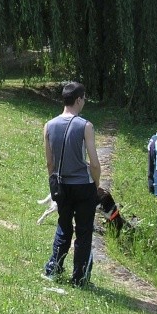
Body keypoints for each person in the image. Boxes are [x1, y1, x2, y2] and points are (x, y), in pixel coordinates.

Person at [43, 82, 101, 287]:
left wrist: (54, 183)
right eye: (84, 99)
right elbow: (94, 162)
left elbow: (50, 162)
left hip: (61, 184)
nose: (84, 102)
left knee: (63, 226)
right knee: (84, 232)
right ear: (78, 99)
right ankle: (79, 278)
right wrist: (96, 183)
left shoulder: (49, 125)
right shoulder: (85, 126)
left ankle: (53, 269)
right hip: (83, 186)